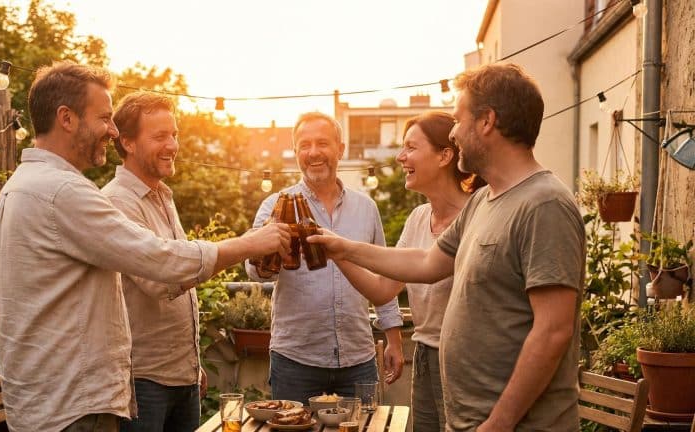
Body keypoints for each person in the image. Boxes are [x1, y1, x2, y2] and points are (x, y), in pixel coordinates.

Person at [0, 62, 290, 432]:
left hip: (49, 404)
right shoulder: (63, 193)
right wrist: (248, 244)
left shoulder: (21, 185)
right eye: (104, 118)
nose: (112, 131)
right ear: (66, 118)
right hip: (72, 409)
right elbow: (162, 263)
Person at [309, 63, 585, 431]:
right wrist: (341, 248)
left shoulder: (544, 204)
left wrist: (499, 422)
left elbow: (553, 330)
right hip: (469, 419)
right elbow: (425, 261)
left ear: (487, 121)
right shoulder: (484, 200)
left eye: (458, 118)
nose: (454, 132)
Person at [333, 111, 484, 431]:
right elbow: (382, 290)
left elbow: (427, 266)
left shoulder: (477, 215)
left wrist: (344, 247)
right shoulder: (418, 217)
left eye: (411, 148)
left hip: (464, 360)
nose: (401, 157)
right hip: (425, 355)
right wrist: (335, 253)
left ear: (445, 155)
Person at [245, 111, 405, 404]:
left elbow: (384, 275)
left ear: (340, 149)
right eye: (304, 145)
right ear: (295, 153)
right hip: (296, 360)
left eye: (322, 143)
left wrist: (394, 339)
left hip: (358, 359)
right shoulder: (275, 205)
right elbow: (255, 274)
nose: (313, 152)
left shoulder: (366, 208)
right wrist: (267, 249)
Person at [100, 91, 207, 432]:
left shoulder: (163, 195)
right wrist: (230, 253)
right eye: (160, 136)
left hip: (182, 376)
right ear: (128, 142)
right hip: (144, 381)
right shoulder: (118, 202)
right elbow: (160, 282)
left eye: (174, 134)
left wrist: (193, 364)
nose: (173, 145)